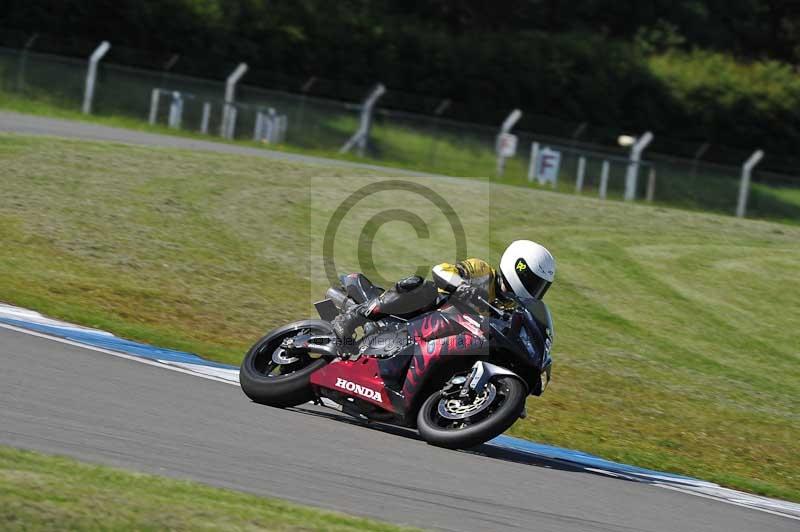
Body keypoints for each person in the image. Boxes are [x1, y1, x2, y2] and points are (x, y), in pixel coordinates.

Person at [331, 240, 555, 345]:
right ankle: (352, 317)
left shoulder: (511, 308)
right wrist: (461, 286)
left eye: (540, 287)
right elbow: (440, 270)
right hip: (424, 314)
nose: (535, 291)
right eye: (534, 283)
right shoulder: (482, 271)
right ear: (519, 267)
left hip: (448, 339)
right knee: (421, 286)